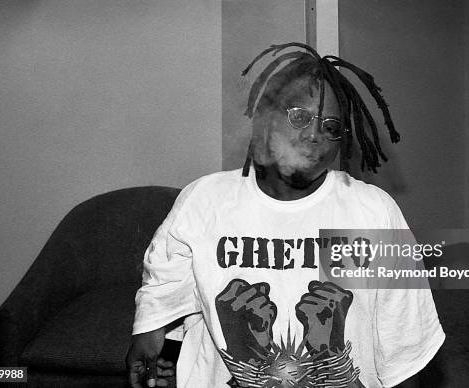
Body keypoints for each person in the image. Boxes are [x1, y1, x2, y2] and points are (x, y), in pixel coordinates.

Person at [126, 42, 445, 388]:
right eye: (300, 117)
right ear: (265, 119)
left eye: (331, 126)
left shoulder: (371, 212)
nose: (314, 135)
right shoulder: (206, 200)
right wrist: (150, 329)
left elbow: (405, 339)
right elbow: (166, 276)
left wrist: (330, 354)